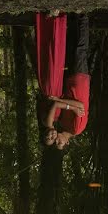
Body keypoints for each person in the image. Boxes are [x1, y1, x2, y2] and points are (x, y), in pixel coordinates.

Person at [35, 11, 90, 150]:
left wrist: (64, 103)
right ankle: (83, 16)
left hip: (65, 83)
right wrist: (67, 105)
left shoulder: (54, 123)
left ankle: (70, 18)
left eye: (54, 141)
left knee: (69, 49)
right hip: (79, 83)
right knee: (79, 50)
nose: (55, 139)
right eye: (59, 143)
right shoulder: (76, 129)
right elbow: (81, 107)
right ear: (67, 142)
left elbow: (56, 104)